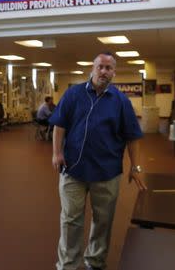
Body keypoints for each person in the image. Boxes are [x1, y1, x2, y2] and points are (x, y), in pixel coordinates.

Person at [50, 52, 145, 270]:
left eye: (109, 68)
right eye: (100, 67)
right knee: (70, 220)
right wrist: (57, 153)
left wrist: (136, 167)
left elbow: (132, 137)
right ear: (92, 69)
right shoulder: (73, 94)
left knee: (103, 221)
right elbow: (60, 125)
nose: (104, 71)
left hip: (107, 172)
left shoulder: (121, 101)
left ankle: (95, 261)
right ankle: (68, 264)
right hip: (73, 169)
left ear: (114, 72)